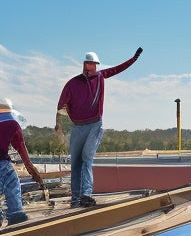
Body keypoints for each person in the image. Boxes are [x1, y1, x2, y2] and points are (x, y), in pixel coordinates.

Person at [55, 47, 143, 207]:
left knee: (87, 158)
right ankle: (75, 200)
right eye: (91, 64)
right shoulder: (72, 84)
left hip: (94, 125)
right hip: (78, 127)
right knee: (76, 163)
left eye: (95, 65)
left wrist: (134, 58)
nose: (93, 67)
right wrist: (59, 125)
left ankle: (86, 194)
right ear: (85, 64)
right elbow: (60, 106)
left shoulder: (101, 77)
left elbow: (118, 69)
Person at [1, 97, 45, 226]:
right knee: (12, 183)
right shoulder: (12, 124)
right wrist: (31, 169)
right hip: (1, 163)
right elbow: (21, 147)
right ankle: (16, 215)